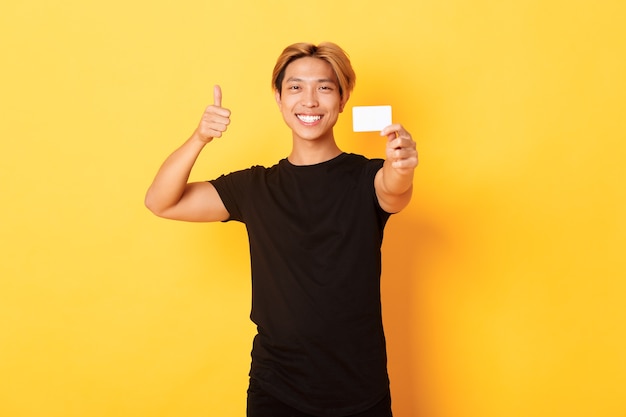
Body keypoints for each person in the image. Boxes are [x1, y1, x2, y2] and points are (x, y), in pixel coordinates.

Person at [145, 42, 418, 417]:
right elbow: (161, 201)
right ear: (278, 97)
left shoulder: (367, 176)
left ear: (342, 99)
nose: (309, 100)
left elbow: (394, 192)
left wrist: (402, 168)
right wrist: (199, 138)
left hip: (360, 390)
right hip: (277, 391)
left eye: (324, 87)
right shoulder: (255, 188)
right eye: (295, 87)